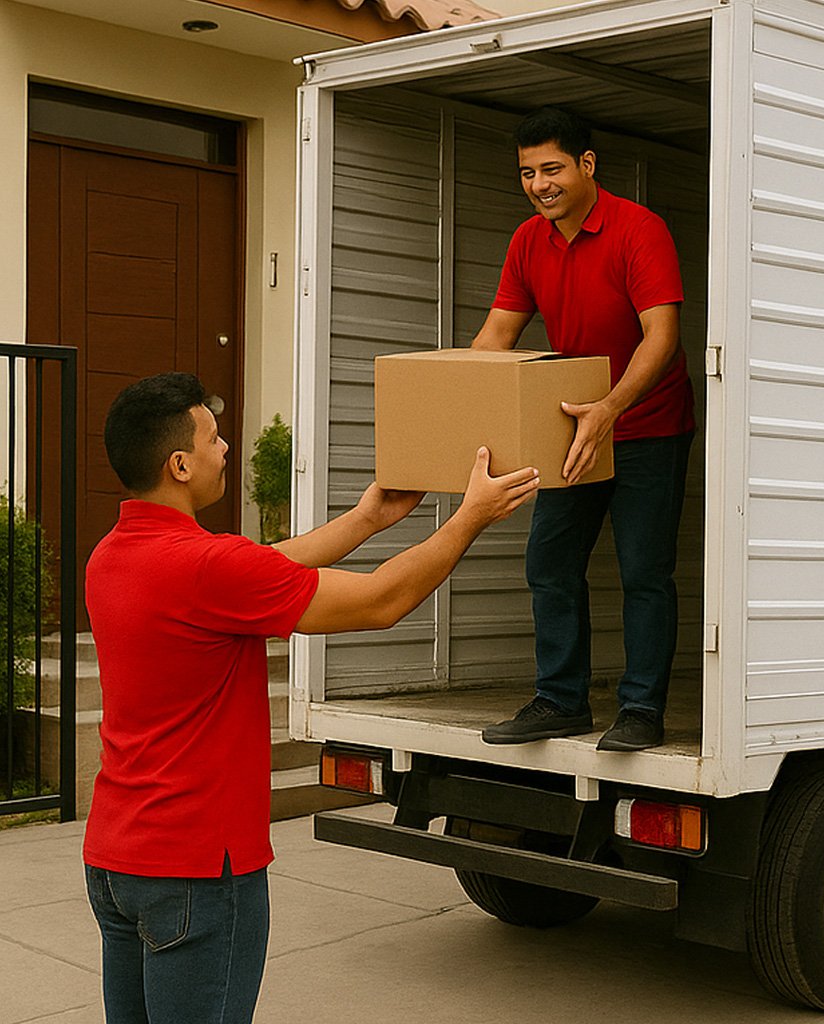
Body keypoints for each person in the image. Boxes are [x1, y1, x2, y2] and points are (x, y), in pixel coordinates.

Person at [83, 371, 539, 1024]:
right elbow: (381, 600)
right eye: (214, 439)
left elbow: (260, 567)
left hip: (116, 865)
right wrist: (471, 516)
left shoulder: (113, 557)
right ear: (179, 464)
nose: (225, 450)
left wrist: (367, 518)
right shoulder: (209, 569)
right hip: (197, 872)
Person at [477, 107, 695, 753]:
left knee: (643, 571)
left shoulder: (638, 230)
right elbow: (497, 334)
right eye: (527, 173)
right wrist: (460, 398)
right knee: (549, 561)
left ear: (586, 165)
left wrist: (613, 407)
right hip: (574, 429)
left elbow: (663, 336)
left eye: (551, 169)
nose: (540, 184)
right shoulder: (527, 241)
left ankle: (642, 710)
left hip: (649, 426)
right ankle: (560, 700)